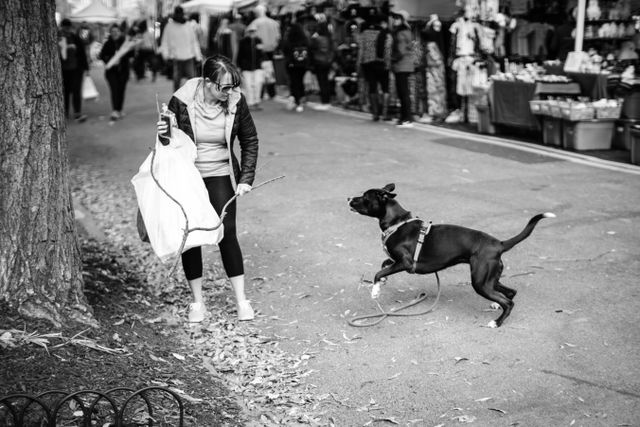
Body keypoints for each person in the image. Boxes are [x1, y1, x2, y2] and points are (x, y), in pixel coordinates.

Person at [156, 55, 259, 323]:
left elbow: (249, 140)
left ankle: (241, 300)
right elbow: (169, 142)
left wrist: (246, 177)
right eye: (223, 87)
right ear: (206, 82)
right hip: (189, 175)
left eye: (233, 87)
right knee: (192, 235)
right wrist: (163, 133)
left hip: (220, 173)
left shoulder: (236, 101)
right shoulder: (183, 100)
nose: (229, 92)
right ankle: (197, 302)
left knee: (227, 232)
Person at [357, 14, 392, 121]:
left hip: (368, 64)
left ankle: (375, 113)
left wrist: (359, 63)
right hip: (381, 63)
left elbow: (361, 51)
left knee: (372, 87)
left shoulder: (364, 34)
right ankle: (385, 113)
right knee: (385, 87)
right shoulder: (385, 34)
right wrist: (388, 63)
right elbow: (388, 50)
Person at [160, 6, 203, 91]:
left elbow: (194, 42)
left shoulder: (188, 26)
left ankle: (191, 100)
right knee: (176, 82)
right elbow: (165, 43)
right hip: (176, 58)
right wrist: (166, 56)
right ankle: (176, 101)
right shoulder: (169, 26)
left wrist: (198, 57)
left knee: (192, 82)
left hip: (189, 57)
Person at [99, 24, 135, 121]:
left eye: (117, 31)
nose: (115, 33)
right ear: (110, 33)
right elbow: (101, 56)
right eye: (113, 31)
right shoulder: (107, 43)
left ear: (120, 32)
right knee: (114, 90)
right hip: (111, 72)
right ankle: (115, 110)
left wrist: (132, 48)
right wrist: (110, 60)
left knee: (121, 90)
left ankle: (119, 109)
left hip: (123, 71)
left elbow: (131, 55)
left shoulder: (125, 43)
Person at [58, 18, 89, 122]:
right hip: (63, 70)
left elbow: (82, 52)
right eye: (65, 28)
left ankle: (77, 113)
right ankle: (65, 113)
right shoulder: (57, 38)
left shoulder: (75, 37)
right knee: (65, 92)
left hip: (76, 69)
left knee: (76, 91)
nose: (66, 30)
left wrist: (86, 68)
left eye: (68, 28)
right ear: (61, 27)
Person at [248, 5, 280, 99]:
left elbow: (250, 37)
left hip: (259, 51)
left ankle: (261, 93)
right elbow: (278, 38)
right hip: (271, 51)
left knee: (260, 72)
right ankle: (272, 93)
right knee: (270, 72)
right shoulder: (274, 23)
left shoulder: (254, 23)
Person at [390, 10, 415, 128]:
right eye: (394, 18)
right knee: (402, 92)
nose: (395, 20)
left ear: (402, 20)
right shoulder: (403, 31)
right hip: (402, 64)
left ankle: (407, 118)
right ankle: (404, 117)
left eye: (397, 18)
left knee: (403, 92)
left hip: (402, 64)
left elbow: (402, 50)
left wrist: (392, 58)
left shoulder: (402, 32)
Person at [421, 15, 447, 122]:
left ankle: (438, 112)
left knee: (437, 88)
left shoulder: (432, 42)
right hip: (433, 67)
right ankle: (436, 112)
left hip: (435, 66)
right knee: (434, 88)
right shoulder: (433, 42)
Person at [281, 23, 310, 112]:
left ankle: (297, 101)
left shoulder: (289, 40)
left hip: (292, 65)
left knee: (294, 82)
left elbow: (284, 50)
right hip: (303, 64)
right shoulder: (305, 40)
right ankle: (302, 98)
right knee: (300, 81)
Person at [238, 26, 265, 110]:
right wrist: (239, 66)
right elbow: (240, 54)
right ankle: (250, 102)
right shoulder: (243, 42)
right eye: (250, 31)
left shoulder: (258, 41)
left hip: (257, 66)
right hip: (246, 67)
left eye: (254, 31)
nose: (252, 33)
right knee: (248, 85)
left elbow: (261, 54)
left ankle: (257, 101)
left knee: (258, 83)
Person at [309, 21, 335, 110]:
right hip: (327, 61)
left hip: (319, 61)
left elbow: (311, 48)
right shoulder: (329, 38)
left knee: (321, 82)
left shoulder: (317, 39)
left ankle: (324, 101)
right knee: (326, 81)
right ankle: (327, 100)